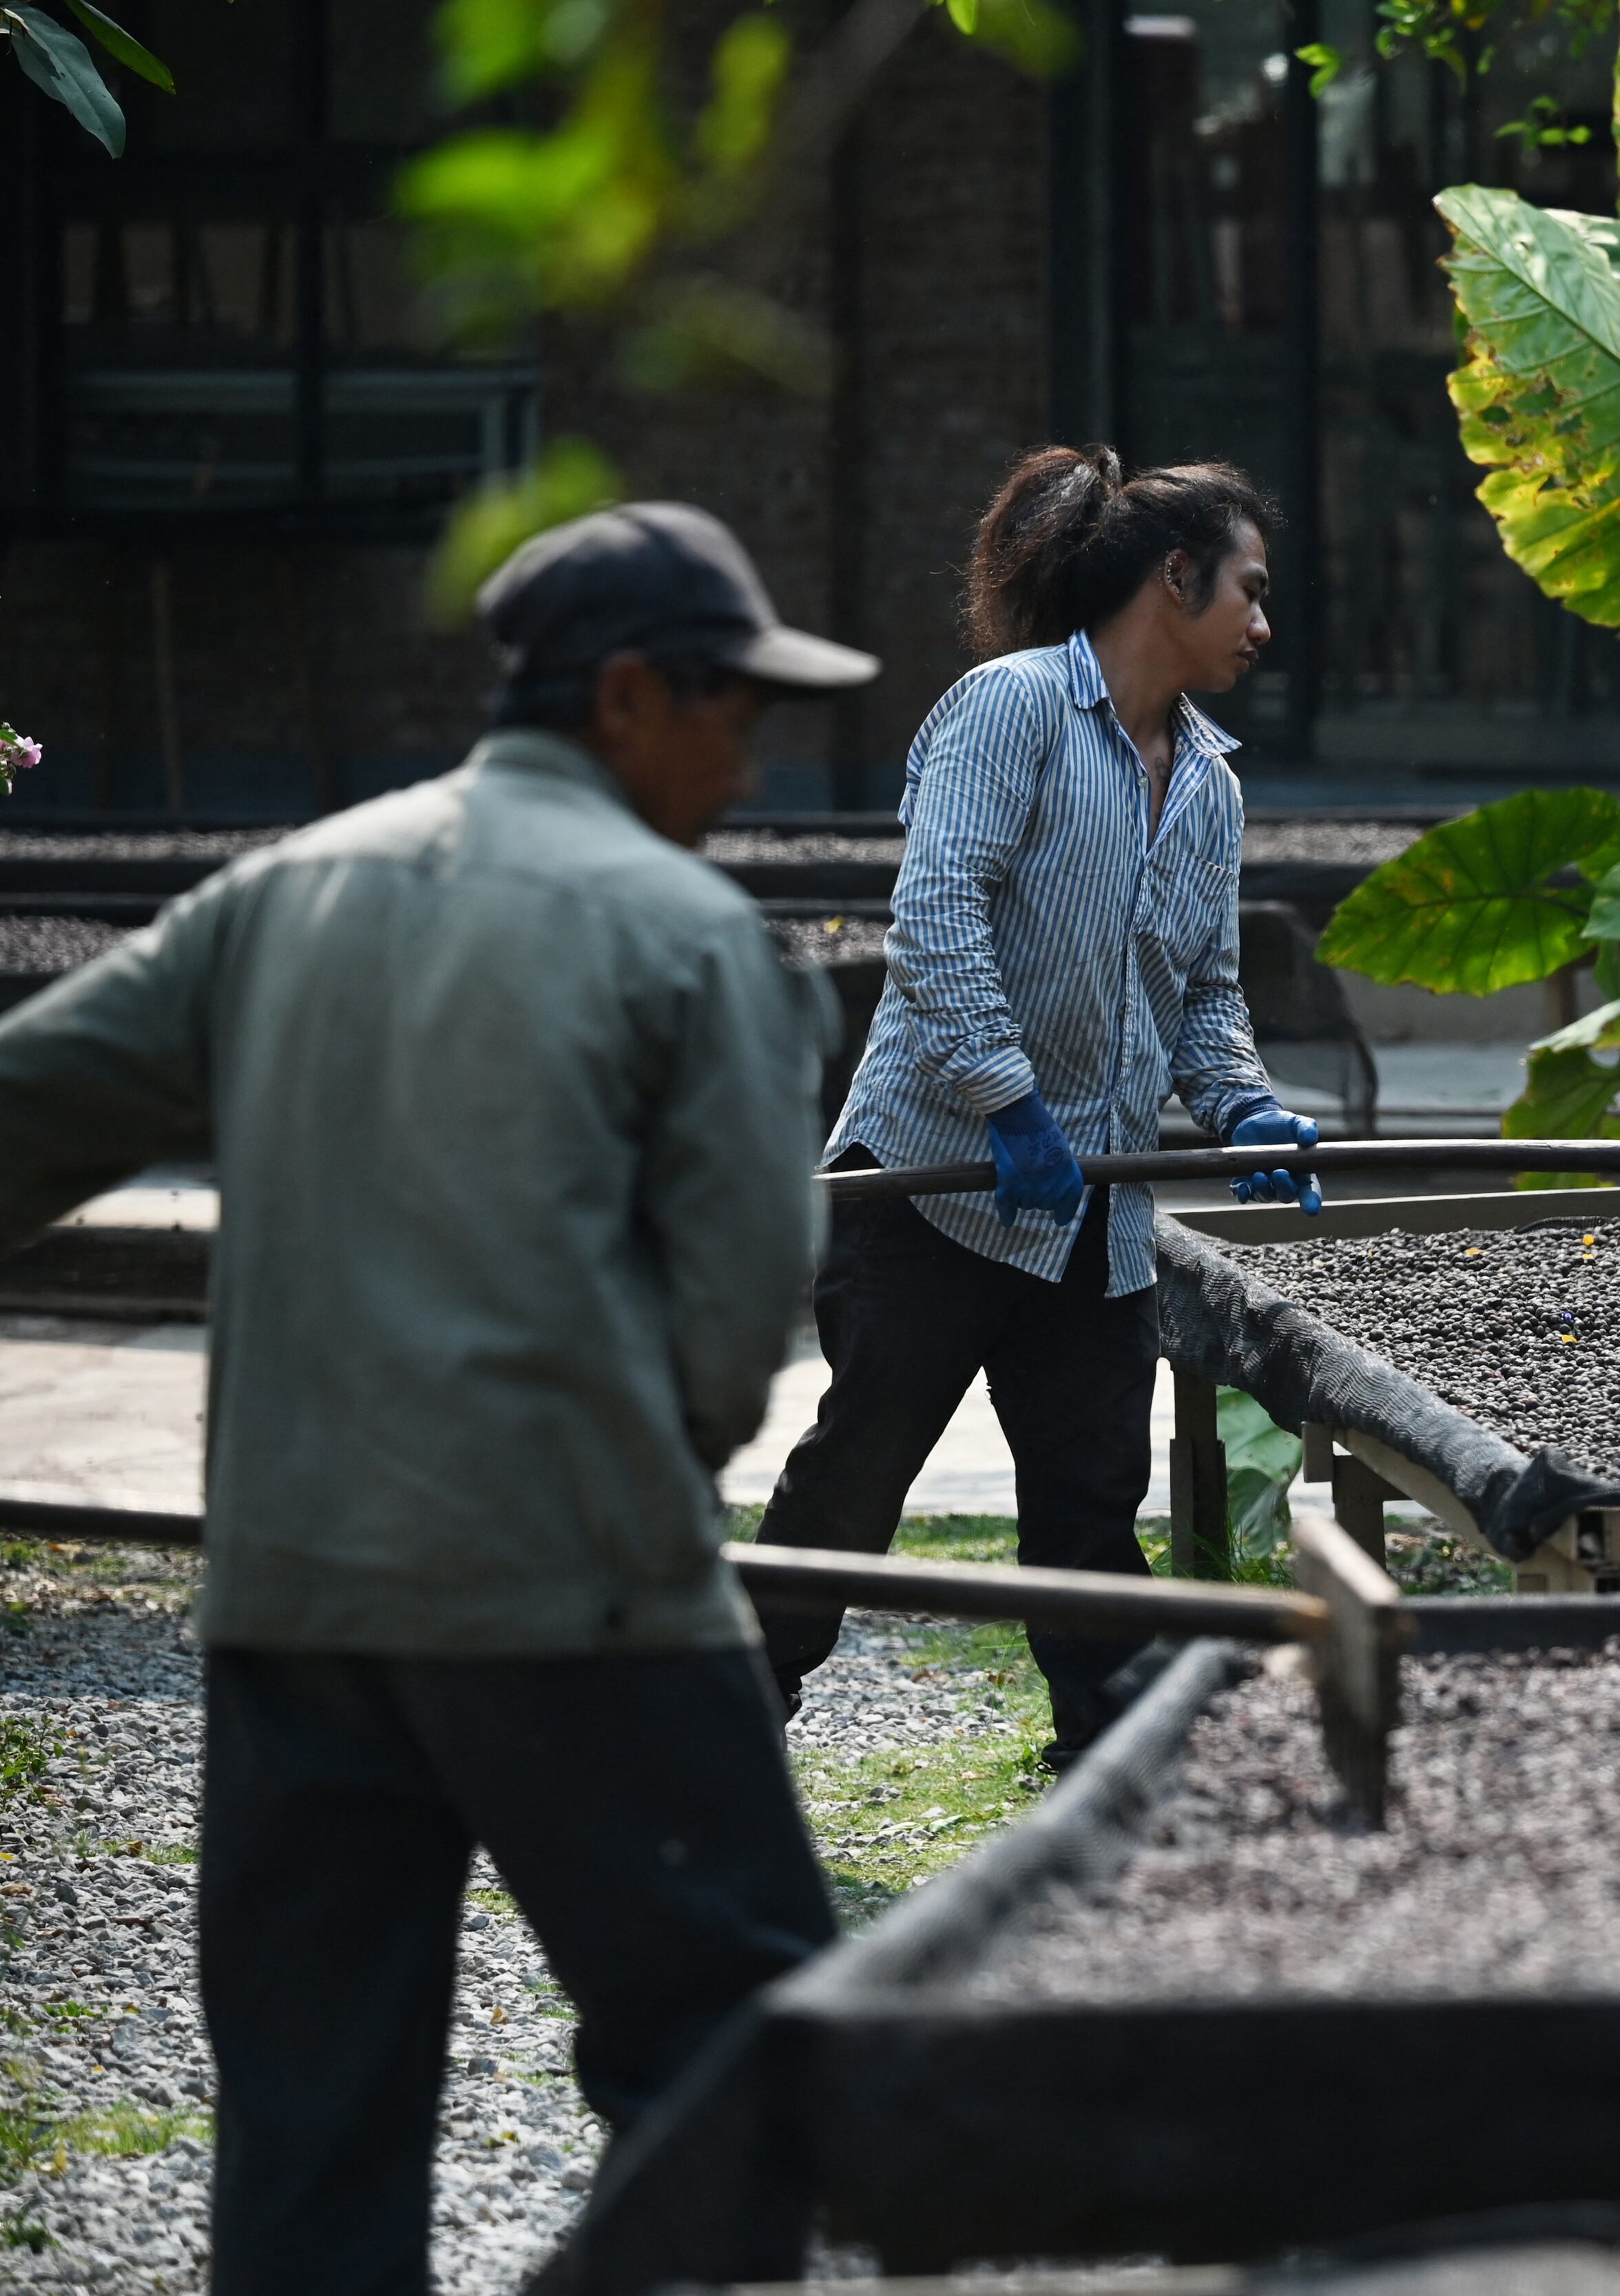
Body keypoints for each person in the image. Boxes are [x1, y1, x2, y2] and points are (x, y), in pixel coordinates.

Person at [0, 502, 878, 2295]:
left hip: (295, 1590)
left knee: (311, 2116)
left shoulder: (283, 892)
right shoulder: (689, 935)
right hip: (576, 1588)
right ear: (626, 696)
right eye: (732, 711)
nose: (749, 762)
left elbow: (24, 1114)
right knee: (742, 2056)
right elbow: (735, 1319)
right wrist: (648, 1466)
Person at [753, 447, 1321, 1768]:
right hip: (937, 1189)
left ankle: (1106, 1764)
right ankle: (723, 1724)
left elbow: (1202, 991)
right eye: (1249, 589)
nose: (1262, 624)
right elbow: (935, 914)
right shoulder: (1012, 708)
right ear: (1175, 577)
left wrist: (1242, 1108)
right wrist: (1010, 1105)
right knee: (857, 1475)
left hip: (1094, 1220)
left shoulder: (1211, 782)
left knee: (1090, 1500)